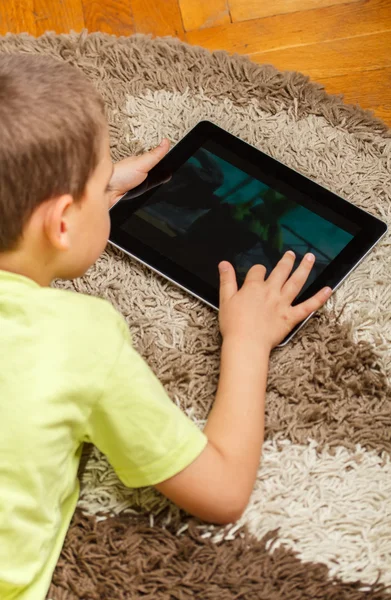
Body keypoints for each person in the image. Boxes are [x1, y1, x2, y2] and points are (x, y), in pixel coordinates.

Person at [0, 54, 332, 599]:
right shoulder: (83, 340)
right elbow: (221, 492)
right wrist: (248, 341)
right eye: (104, 180)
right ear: (60, 223)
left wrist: (89, 195)